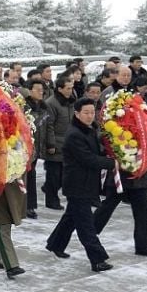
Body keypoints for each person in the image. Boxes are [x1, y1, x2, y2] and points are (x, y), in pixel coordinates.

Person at [45, 98, 115, 271]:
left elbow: (95, 150)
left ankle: (56, 244)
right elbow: (88, 159)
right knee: (85, 225)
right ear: (77, 113)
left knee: (71, 217)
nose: (90, 116)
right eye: (86, 113)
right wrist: (112, 163)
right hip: (77, 185)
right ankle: (97, 259)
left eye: (93, 112)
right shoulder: (74, 134)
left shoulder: (88, 130)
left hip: (86, 183)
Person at [42, 75, 75, 210]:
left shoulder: (71, 101)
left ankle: (48, 190)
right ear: (60, 89)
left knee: (64, 175)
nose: (70, 91)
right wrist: (51, 144)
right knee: (54, 176)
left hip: (68, 143)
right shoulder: (51, 103)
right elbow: (49, 126)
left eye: (71, 88)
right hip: (55, 143)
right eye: (68, 89)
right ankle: (51, 200)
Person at [24, 80, 48, 218]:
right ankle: (25, 206)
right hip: (26, 147)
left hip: (38, 145)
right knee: (27, 176)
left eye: (42, 90)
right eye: (38, 89)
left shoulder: (43, 106)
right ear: (30, 90)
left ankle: (30, 206)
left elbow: (48, 126)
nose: (41, 92)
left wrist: (48, 143)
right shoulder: (25, 106)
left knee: (31, 176)